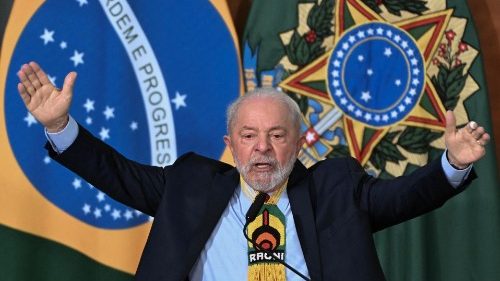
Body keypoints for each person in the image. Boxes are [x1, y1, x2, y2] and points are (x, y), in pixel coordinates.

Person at [17, 61, 490, 281]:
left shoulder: (336, 188)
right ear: (230, 145)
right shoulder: (189, 184)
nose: (262, 148)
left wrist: (451, 164)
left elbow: (405, 196)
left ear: (299, 141)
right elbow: (113, 172)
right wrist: (59, 125)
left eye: (277, 135)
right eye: (248, 136)